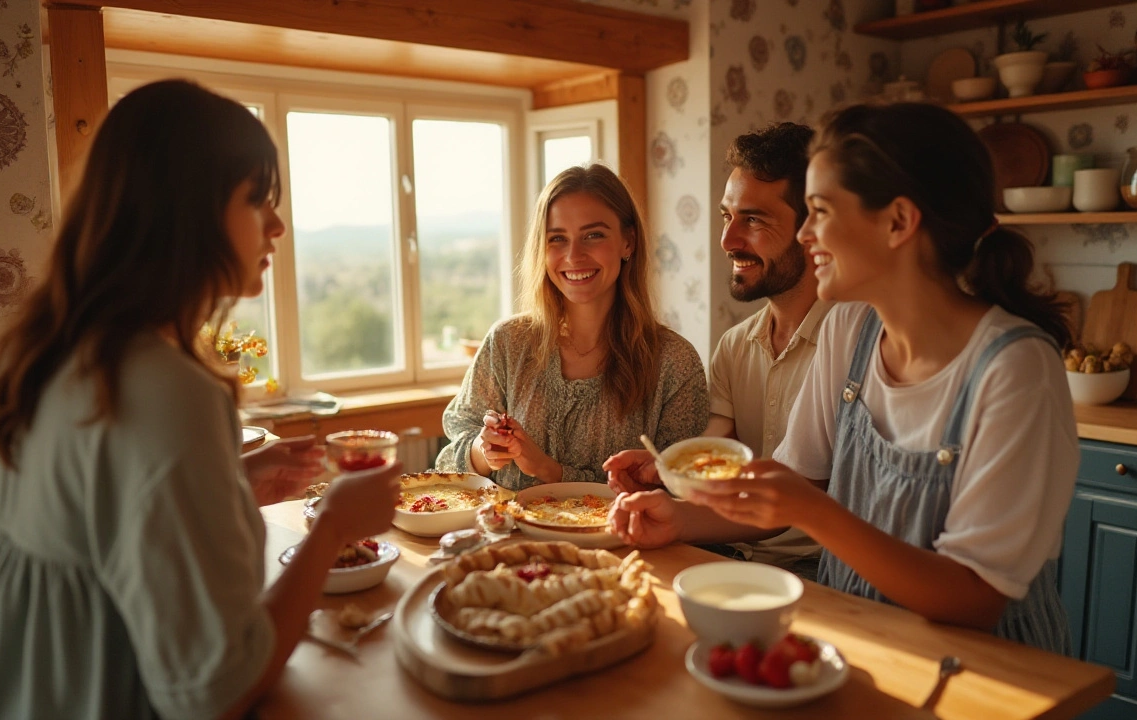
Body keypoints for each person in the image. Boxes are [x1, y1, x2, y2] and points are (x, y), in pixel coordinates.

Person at [0, 80, 402, 719]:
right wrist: (333, 528)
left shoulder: (53, 351)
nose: (277, 225)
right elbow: (218, 691)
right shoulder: (170, 392)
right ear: (188, 211)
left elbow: (100, 520)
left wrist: (230, 481)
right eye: (255, 200)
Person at [611, 102, 1077, 654]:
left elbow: (976, 598)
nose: (806, 235)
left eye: (821, 211)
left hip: (991, 671)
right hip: (861, 637)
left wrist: (811, 510)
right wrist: (679, 519)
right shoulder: (850, 329)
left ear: (899, 222)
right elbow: (795, 482)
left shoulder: (1015, 369)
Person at [602, 123, 833, 572]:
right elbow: (712, 460)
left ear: (811, 229)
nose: (728, 241)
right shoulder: (734, 347)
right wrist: (663, 470)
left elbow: (795, 495)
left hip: (819, 570)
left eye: (755, 219)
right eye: (728, 216)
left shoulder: (854, 343)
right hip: (734, 556)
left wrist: (676, 517)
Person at [436, 164, 708, 491]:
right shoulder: (507, 343)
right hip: (507, 541)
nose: (573, 255)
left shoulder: (675, 362)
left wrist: (551, 471)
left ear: (628, 242)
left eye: (593, 235)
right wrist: (485, 451)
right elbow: (446, 465)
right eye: (557, 239)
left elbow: (682, 494)